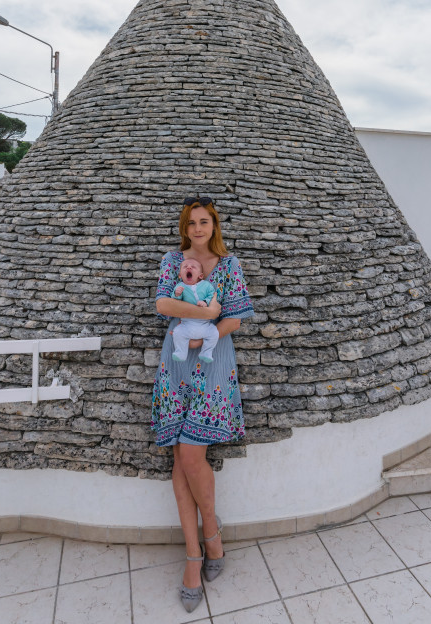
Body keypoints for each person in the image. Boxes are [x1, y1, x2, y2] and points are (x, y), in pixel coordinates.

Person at [151, 197, 254, 612]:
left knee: (191, 455)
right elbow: (163, 305)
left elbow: (234, 318)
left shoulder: (229, 266)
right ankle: (198, 551)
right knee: (179, 457)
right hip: (175, 365)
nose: (197, 228)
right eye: (191, 222)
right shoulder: (172, 260)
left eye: (204, 221)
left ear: (214, 225)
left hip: (212, 361)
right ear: (185, 227)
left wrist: (200, 331)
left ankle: (210, 535)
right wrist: (204, 310)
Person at [171, 257, 219, 363]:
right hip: (186, 324)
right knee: (177, 332)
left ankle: (206, 352)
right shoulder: (179, 286)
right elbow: (174, 302)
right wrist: (177, 294)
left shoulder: (206, 285)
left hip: (205, 324)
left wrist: (205, 302)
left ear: (200, 276)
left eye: (193, 267)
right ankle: (180, 353)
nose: (189, 267)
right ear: (180, 275)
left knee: (214, 333)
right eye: (185, 267)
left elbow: (212, 295)